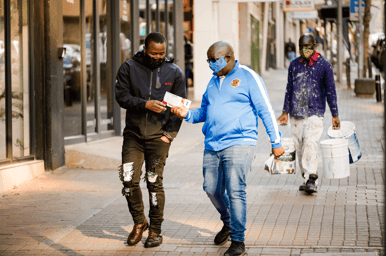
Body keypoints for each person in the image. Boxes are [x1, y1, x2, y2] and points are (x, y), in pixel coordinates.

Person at [171, 41, 285, 256]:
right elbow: (203, 112)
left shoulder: (249, 77)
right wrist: (185, 114)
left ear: (229, 57)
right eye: (209, 61)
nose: (211, 65)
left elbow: (266, 110)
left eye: (215, 60)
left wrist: (276, 141)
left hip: (241, 142)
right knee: (211, 189)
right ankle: (229, 221)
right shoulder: (213, 83)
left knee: (235, 190)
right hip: (212, 144)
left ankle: (238, 240)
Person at [115, 32, 186, 248]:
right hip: (133, 136)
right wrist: (145, 104)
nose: (158, 57)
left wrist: (169, 134)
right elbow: (121, 96)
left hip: (159, 137)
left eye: (162, 53)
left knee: (154, 183)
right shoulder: (129, 67)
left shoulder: (174, 72)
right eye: (154, 53)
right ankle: (139, 223)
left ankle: (155, 230)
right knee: (128, 180)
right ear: (145, 49)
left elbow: (180, 108)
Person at [277, 33, 340, 194]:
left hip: (315, 112)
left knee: (311, 143)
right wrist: (285, 112)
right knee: (300, 146)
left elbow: (331, 91)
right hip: (296, 113)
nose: (305, 50)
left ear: (314, 47)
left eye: (308, 47)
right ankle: (306, 178)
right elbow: (289, 89)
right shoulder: (294, 65)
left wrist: (335, 114)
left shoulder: (324, 66)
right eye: (302, 48)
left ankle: (312, 177)